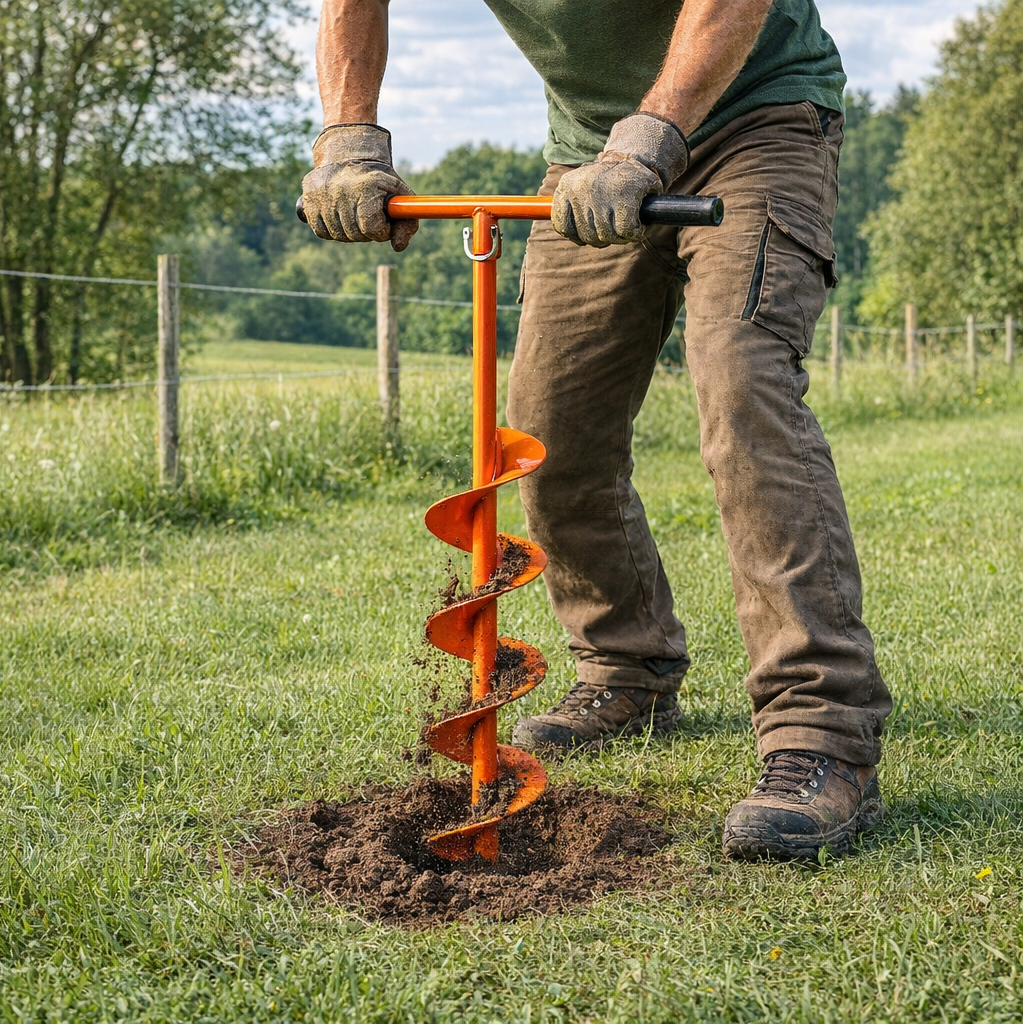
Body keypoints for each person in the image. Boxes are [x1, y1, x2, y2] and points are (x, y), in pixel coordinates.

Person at [301, 0, 893, 861]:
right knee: (548, 431)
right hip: (590, 155)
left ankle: (823, 734)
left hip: (758, 119)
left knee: (742, 384)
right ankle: (626, 669)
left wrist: (651, 140)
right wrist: (348, 140)